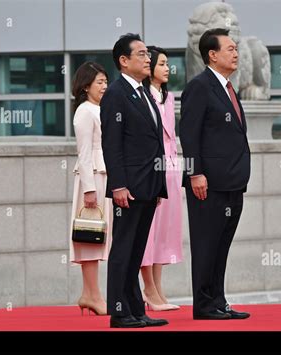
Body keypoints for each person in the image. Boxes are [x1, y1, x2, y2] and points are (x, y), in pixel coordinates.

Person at [179, 28, 251, 320]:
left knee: (221, 246)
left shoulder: (228, 89)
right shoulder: (200, 86)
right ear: (212, 54)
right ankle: (204, 305)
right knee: (206, 244)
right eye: (230, 49)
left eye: (236, 49)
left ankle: (219, 302)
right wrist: (195, 173)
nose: (236, 54)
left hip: (233, 182)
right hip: (208, 184)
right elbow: (190, 133)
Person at [100, 33, 169, 328]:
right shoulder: (116, 93)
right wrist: (118, 185)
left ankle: (135, 309)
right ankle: (119, 311)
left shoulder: (144, 92)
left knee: (137, 251)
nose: (148, 59)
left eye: (147, 54)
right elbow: (112, 144)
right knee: (123, 250)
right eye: (141, 54)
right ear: (123, 61)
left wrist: (158, 185)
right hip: (127, 188)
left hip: (148, 186)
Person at [140, 46, 183, 311]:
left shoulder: (169, 97)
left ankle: (158, 288)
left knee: (165, 231)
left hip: (171, 169)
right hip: (151, 170)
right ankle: (148, 289)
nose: (167, 68)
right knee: (149, 231)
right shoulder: (143, 97)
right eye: (162, 64)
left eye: (168, 64)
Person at [69, 61, 112, 316]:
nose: (105, 86)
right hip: (93, 178)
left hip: (103, 175)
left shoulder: (99, 108)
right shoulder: (85, 111)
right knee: (90, 237)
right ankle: (92, 295)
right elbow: (83, 153)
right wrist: (88, 189)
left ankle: (91, 294)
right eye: (99, 82)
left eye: (106, 81)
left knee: (98, 237)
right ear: (86, 86)